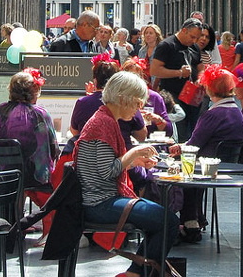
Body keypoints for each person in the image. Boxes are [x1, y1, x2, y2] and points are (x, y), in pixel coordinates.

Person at [74, 71, 174, 277]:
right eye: (137, 103)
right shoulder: (102, 123)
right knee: (168, 221)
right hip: (98, 203)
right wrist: (134, 153)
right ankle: (135, 273)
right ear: (122, 98)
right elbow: (106, 172)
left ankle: (136, 272)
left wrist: (133, 162)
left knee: (163, 221)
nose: (139, 110)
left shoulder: (105, 120)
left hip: (101, 199)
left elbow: (104, 167)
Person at [169, 64, 243, 242]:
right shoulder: (237, 112)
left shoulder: (213, 114)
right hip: (229, 164)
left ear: (210, 88)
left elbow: (194, 143)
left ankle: (189, 221)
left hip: (207, 165)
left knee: (178, 170)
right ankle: (196, 218)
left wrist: (176, 147)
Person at [0, 69, 59, 235]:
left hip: (3, 171)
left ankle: (14, 220)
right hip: (34, 174)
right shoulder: (40, 114)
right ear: (34, 92)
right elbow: (53, 147)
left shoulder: (0, 110)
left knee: (19, 174)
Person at [149, 18, 202, 140]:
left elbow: (201, 67)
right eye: (192, 37)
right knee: (180, 129)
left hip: (193, 95)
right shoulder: (167, 45)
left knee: (193, 127)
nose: (194, 41)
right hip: (173, 95)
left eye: (196, 38)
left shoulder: (194, 47)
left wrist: (200, 78)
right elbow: (155, 70)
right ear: (184, 30)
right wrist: (179, 73)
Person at [122, 57, 173, 137]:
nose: (133, 81)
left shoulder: (154, 97)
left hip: (152, 143)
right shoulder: (119, 98)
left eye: (136, 77)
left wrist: (158, 120)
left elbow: (169, 131)